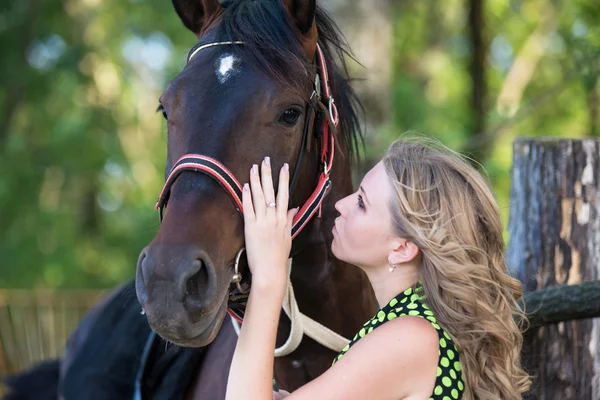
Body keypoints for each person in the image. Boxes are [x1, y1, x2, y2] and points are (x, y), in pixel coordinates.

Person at [226, 137, 531, 400]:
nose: (341, 205)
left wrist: (268, 275)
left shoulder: (411, 337)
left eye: (361, 203)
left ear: (402, 248)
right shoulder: (415, 329)